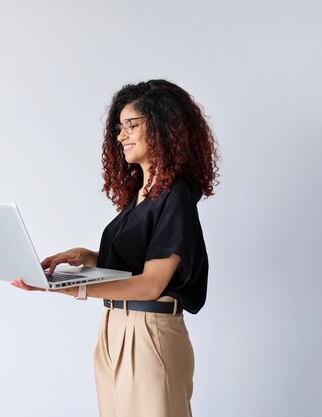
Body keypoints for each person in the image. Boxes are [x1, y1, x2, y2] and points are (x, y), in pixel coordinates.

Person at [11, 79, 219, 417]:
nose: (121, 135)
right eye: (119, 127)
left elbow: (151, 284)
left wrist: (66, 287)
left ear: (164, 126)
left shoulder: (176, 196)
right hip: (114, 327)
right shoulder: (141, 195)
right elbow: (136, 264)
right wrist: (86, 257)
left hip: (150, 335)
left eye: (131, 125)